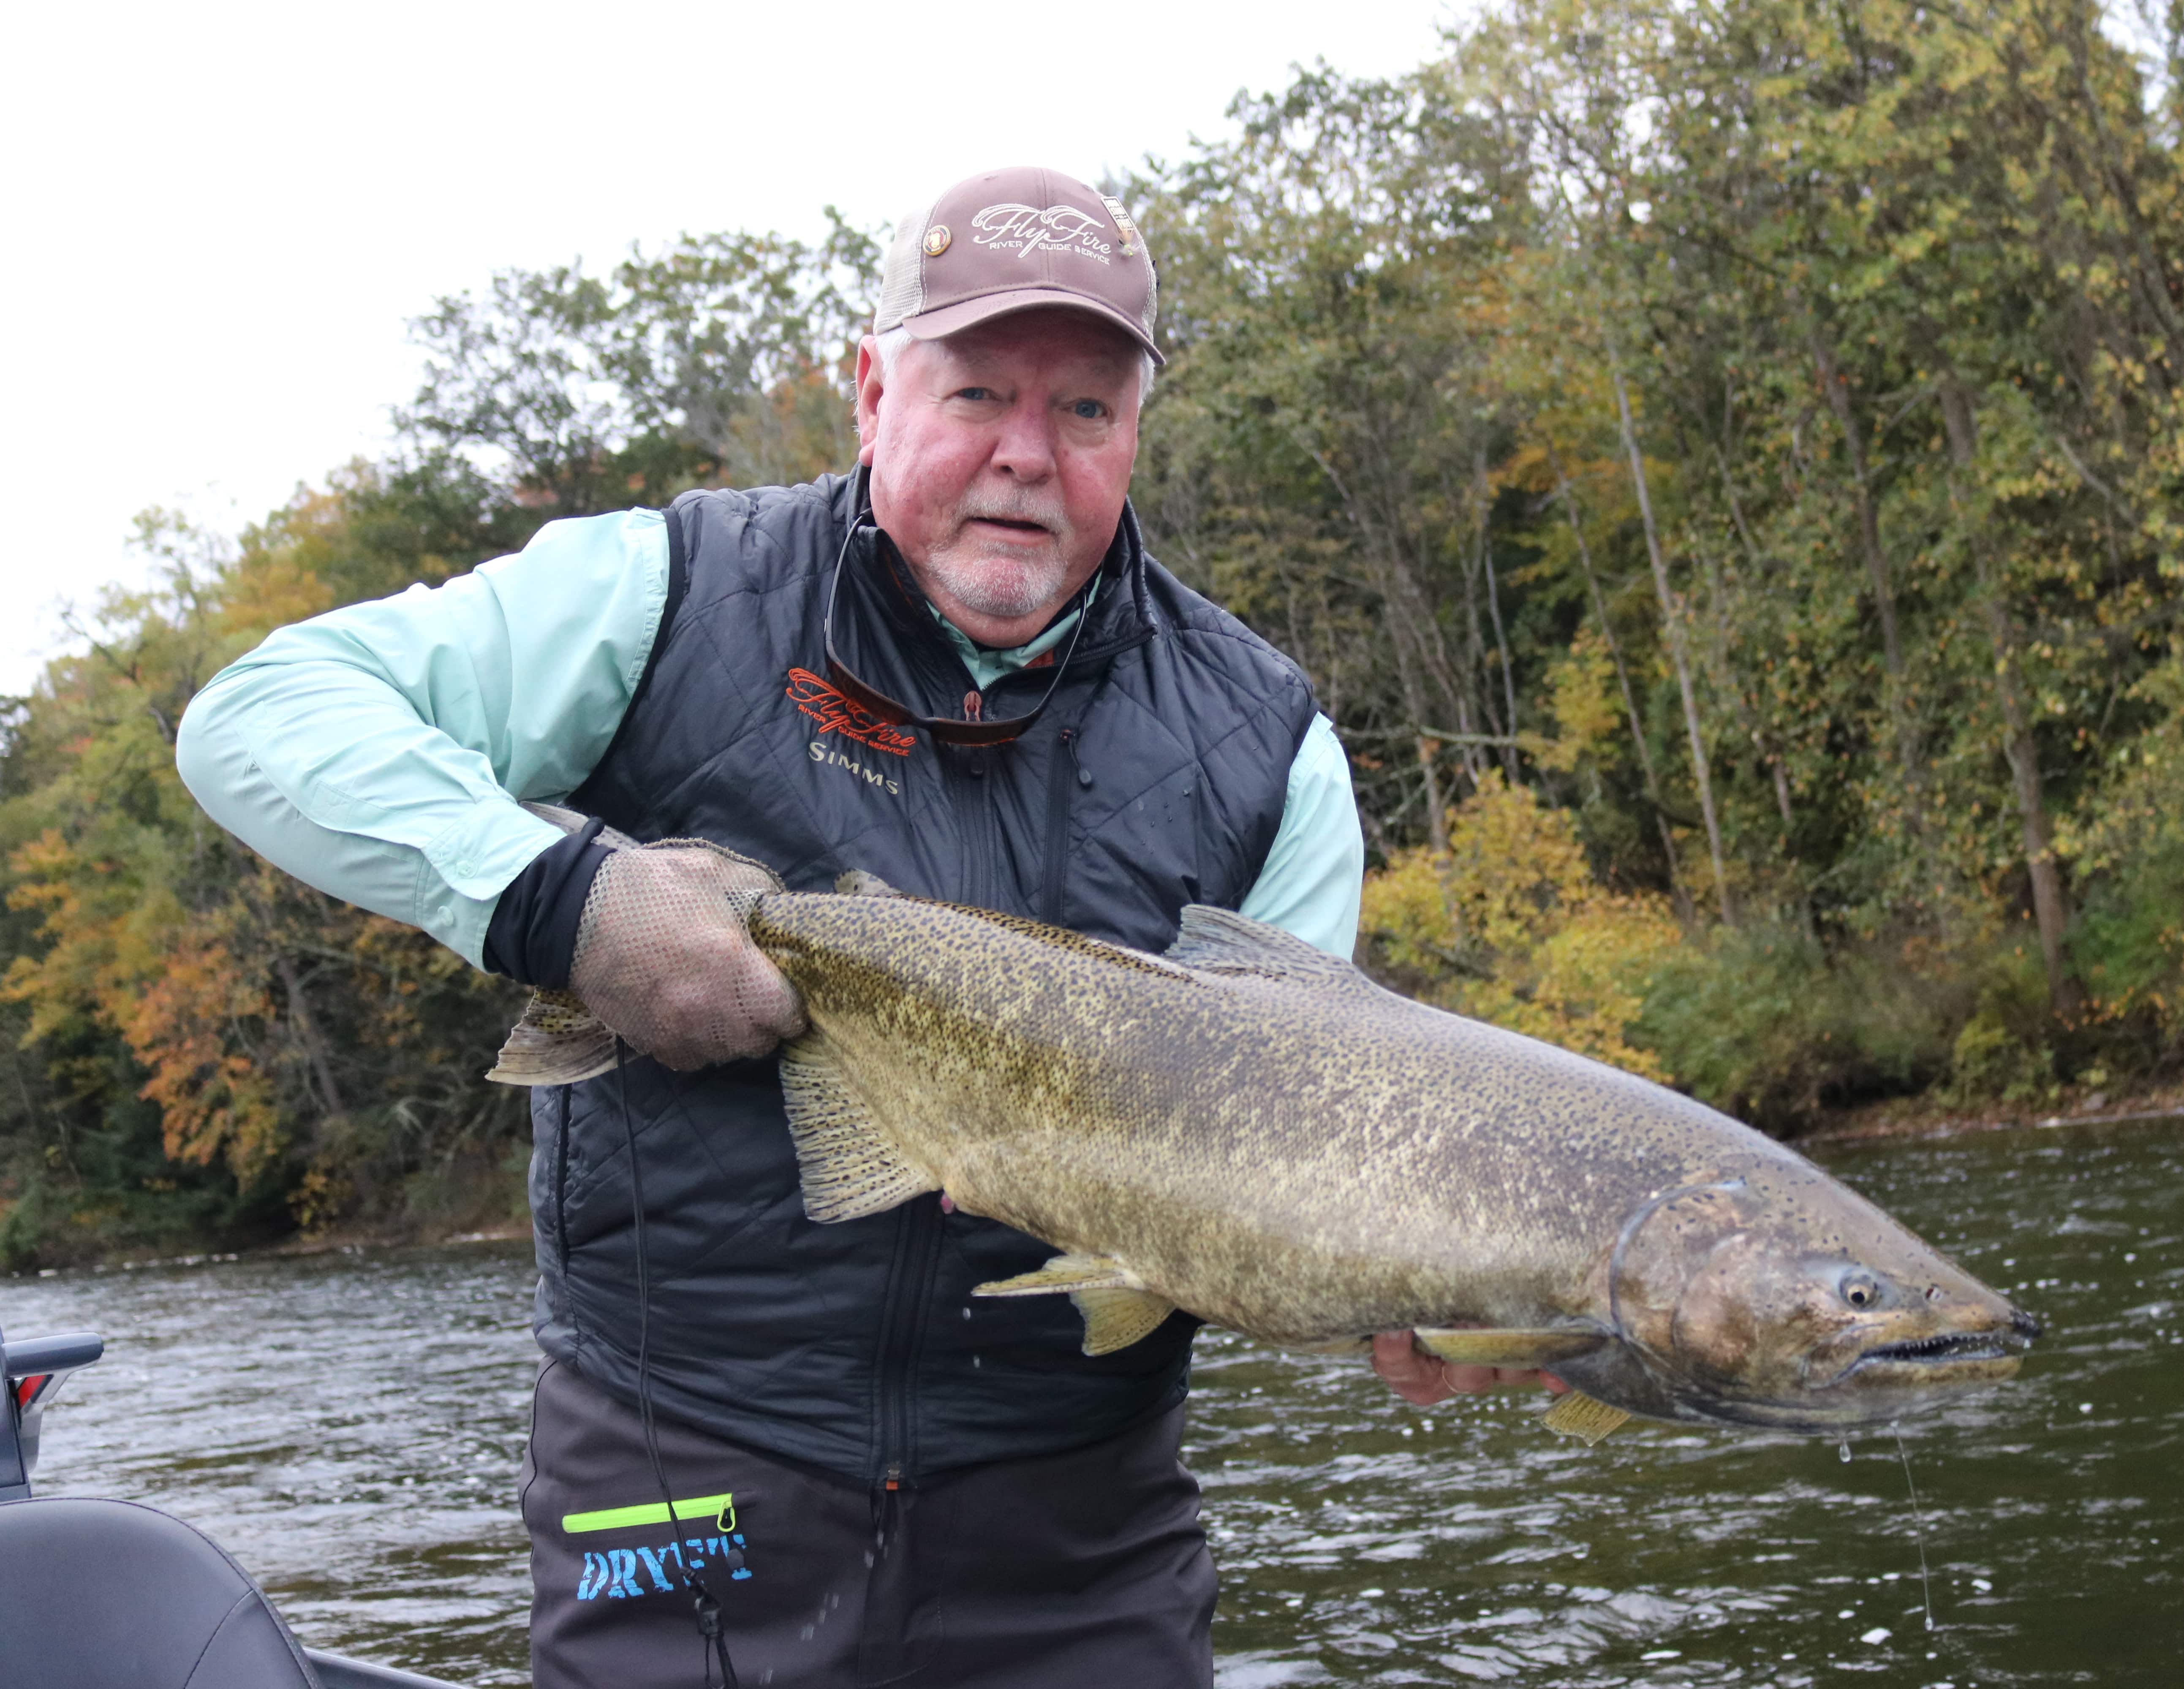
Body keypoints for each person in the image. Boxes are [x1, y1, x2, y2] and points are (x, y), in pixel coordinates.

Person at [176, 164, 1540, 1688]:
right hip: (680, 1465)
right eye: (975, 393)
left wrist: (1432, 1300)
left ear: (1136, 433)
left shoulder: (1270, 744)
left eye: (1085, 411)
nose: (1027, 456)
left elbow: (1302, 1142)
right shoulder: (667, 592)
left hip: (1077, 1527)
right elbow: (261, 716)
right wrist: (564, 903)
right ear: (873, 386)